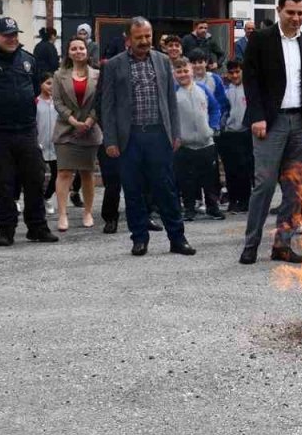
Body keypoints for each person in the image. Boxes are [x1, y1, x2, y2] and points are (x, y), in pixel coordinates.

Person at [240, 0, 302, 265]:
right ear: (279, 11)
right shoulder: (261, 40)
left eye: (301, 13)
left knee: (294, 187)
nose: (296, 18)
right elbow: (250, 80)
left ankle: (283, 244)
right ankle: (251, 244)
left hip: (300, 124)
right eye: (290, 12)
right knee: (264, 184)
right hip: (270, 122)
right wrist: (257, 116)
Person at [99, 17, 193, 257]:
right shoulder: (113, 65)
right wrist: (110, 140)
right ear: (128, 39)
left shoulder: (163, 62)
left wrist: (176, 133)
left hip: (158, 136)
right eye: (139, 37)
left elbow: (171, 102)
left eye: (148, 36)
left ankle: (178, 239)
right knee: (132, 191)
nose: (144, 41)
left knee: (167, 190)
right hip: (128, 139)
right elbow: (107, 106)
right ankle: (139, 238)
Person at [0, 17, 59, 247]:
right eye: (7, 35)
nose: (12, 38)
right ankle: (6, 229)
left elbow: (35, 87)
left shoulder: (28, 60)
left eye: (15, 34)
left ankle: (37, 227)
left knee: (35, 178)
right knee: (5, 182)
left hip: (26, 130)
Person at [52, 39, 101, 231]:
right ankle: (62, 214)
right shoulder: (59, 75)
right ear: (69, 52)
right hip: (66, 130)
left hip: (90, 130)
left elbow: (100, 100)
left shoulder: (98, 75)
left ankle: (87, 212)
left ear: (87, 52)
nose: (78, 51)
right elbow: (57, 101)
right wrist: (72, 120)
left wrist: (89, 121)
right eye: (74, 48)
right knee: (64, 172)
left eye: (81, 48)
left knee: (87, 173)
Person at [172, 57, 224, 222]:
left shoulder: (203, 89)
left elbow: (215, 108)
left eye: (185, 70)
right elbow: (169, 117)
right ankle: (189, 209)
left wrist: (213, 127)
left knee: (210, 179)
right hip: (184, 145)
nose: (183, 74)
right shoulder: (172, 93)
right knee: (186, 179)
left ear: (191, 71)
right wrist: (175, 136)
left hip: (206, 142)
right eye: (179, 71)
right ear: (174, 74)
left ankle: (212, 207)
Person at [219, 60, 251, 214]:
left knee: (245, 169)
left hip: (245, 133)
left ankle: (245, 200)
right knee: (231, 170)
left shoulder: (250, 89)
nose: (235, 75)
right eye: (231, 72)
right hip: (229, 134)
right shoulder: (225, 90)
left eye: (238, 72)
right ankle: (232, 200)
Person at [36, 74, 58, 213]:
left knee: (57, 174)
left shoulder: (58, 102)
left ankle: (47, 197)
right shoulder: (35, 102)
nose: (51, 87)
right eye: (48, 83)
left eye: (53, 84)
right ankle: (36, 201)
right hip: (39, 144)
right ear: (40, 84)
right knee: (38, 175)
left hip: (56, 144)